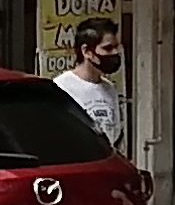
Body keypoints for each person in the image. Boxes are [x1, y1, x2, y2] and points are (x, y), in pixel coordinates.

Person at [53, 16, 127, 151]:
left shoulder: (109, 89)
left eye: (116, 47)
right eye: (107, 48)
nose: (115, 53)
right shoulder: (61, 87)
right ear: (87, 51)